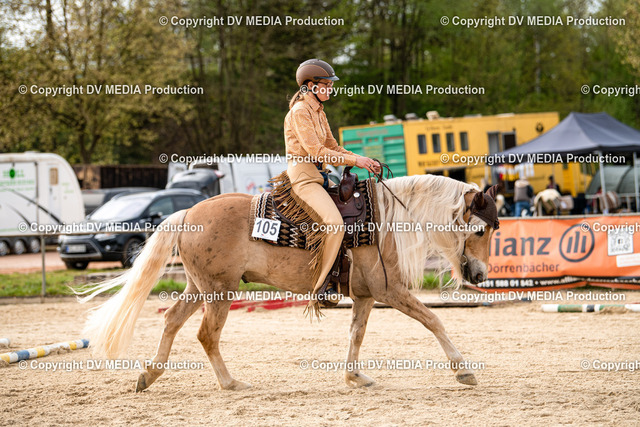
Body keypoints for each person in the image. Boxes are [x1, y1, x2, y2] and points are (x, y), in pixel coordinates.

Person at [284, 59, 380, 307]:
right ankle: (321, 286)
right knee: (335, 224)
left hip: (321, 176)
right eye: (326, 85)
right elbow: (316, 151)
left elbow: (333, 147)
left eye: (330, 85)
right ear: (309, 86)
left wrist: (363, 160)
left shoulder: (319, 112)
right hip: (304, 178)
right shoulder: (300, 111)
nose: (330, 89)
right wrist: (356, 161)